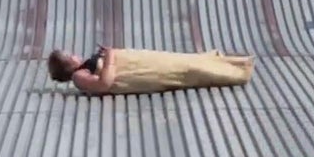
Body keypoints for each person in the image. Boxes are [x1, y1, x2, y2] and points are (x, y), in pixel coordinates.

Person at [46, 45, 255, 95]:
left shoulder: (81, 69)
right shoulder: (78, 76)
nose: (75, 54)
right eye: (69, 54)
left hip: (139, 61)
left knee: (181, 61)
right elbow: (103, 84)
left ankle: (233, 63)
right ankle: (237, 72)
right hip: (136, 73)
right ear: (68, 63)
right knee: (184, 70)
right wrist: (109, 58)